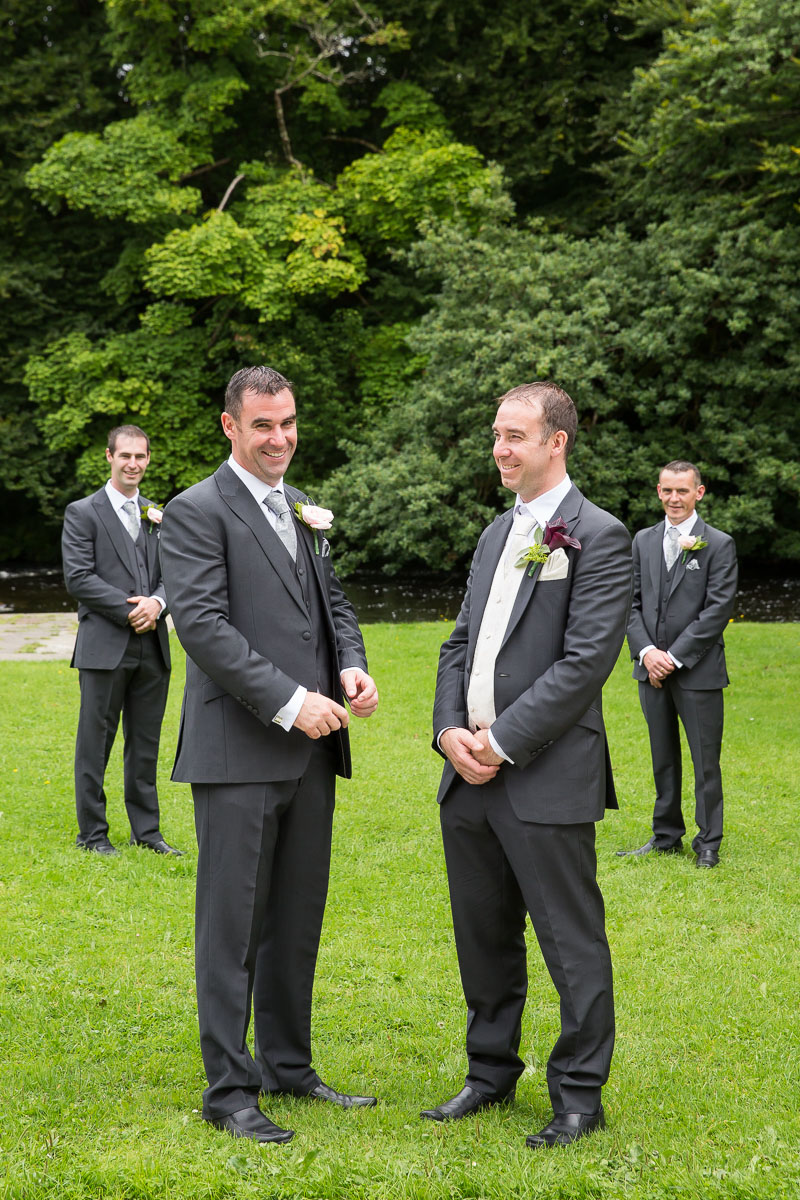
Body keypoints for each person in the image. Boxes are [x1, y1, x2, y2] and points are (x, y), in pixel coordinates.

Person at [159, 365, 379, 1146]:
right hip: (239, 750)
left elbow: (334, 604)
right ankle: (229, 1089)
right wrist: (292, 701)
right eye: (263, 426)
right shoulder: (195, 510)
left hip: (314, 754)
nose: (280, 438)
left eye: (288, 423)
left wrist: (349, 662)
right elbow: (205, 628)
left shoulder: (297, 505)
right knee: (231, 926)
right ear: (230, 427)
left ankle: (289, 1065)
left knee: (294, 918)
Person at [422, 382, 632, 1149]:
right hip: (466, 775)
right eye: (496, 435)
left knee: (570, 940)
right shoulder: (494, 534)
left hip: (543, 774)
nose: (501, 448)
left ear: (556, 442)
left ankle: (578, 1094)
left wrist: (500, 742)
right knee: (482, 934)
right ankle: (489, 1073)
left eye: (515, 435)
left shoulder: (599, 536)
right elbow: (458, 644)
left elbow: (583, 666)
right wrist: (449, 729)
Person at [62, 424, 179, 857]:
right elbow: (78, 577)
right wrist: (132, 608)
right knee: (94, 744)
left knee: (145, 745)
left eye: (141, 457)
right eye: (125, 455)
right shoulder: (83, 512)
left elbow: (174, 577)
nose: (133, 464)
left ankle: (147, 834)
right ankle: (92, 835)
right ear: (109, 457)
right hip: (103, 646)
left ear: (148, 460)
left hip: (153, 647)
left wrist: (159, 603)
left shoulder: (158, 514)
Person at [618, 460, 737, 868]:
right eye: (667, 491)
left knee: (705, 760)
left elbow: (717, 611)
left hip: (698, 672)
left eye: (682, 491)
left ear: (698, 493)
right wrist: (647, 652)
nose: (674, 499)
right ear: (658, 491)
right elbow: (629, 604)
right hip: (649, 669)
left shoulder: (718, 544)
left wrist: (673, 656)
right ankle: (666, 835)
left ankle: (708, 842)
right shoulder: (643, 540)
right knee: (662, 755)